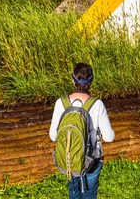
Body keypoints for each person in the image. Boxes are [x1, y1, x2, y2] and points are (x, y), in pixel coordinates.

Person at [49, 62, 115, 199]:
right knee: (89, 195)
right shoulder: (97, 104)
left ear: (73, 80)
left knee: (74, 194)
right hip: (92, 160)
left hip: (69, 159)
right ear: (91, 81)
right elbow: (109, 137)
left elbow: (53, 136)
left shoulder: (61, 103)